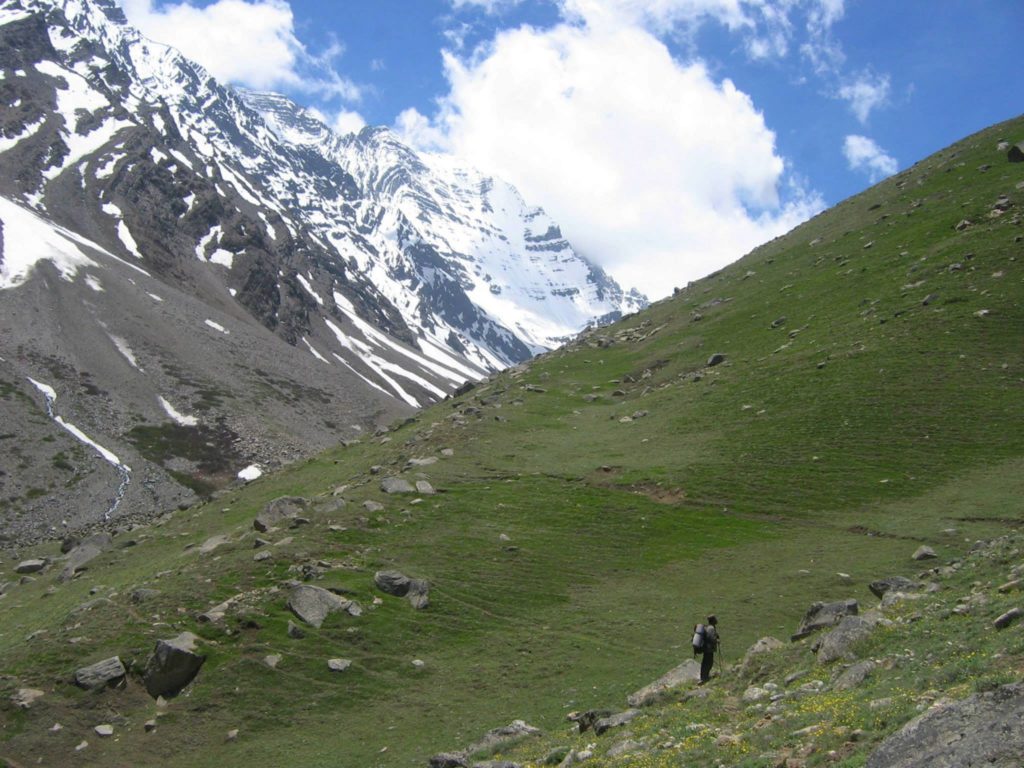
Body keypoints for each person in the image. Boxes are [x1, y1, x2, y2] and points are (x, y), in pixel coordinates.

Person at [699, 615, 719, 684]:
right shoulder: (711, 628)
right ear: (713, 620)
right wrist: (716, 641)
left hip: (707, 648)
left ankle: (704, 677)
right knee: (708, 662)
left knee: (706, 662)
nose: (717, 620)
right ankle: (704, 678)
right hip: (709, 649)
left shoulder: (709, 627)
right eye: (715, 619)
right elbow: (711, 638)